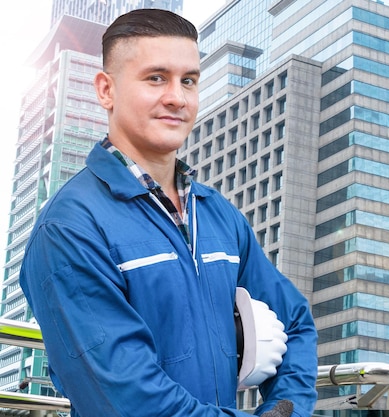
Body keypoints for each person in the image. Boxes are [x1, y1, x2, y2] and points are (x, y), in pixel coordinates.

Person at [19, 8, 318, 417]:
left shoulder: (216, 215)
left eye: (189, 80)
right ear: (106, 90)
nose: (177, 97)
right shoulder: (69, 227)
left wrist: (287, 408)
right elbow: (127, 400)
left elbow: (296, 321)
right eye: (156, 77)